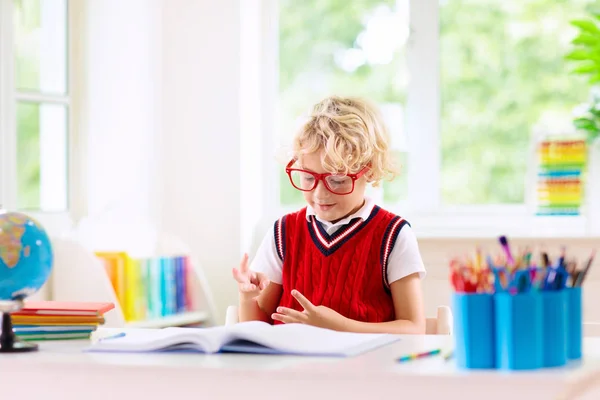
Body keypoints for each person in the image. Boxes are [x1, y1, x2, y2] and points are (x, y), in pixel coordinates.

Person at [232, 96, 426, 334]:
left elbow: (414, 329)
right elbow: (256, 329)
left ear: (371, 172)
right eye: (309, 178)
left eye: (337, 180)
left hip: (364, 369)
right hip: (290, 368)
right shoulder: (283, 232)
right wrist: (247, 298)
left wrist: (337, 326)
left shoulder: (393, 235)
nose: (320, 193)